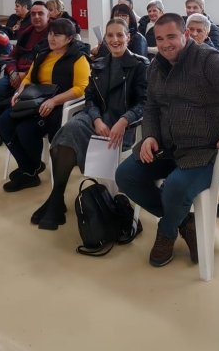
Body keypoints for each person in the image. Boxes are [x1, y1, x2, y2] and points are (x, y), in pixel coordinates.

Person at [115, 14, 219, 268]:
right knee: (126, 176)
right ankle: (185, 222)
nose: (165, 44)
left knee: (174, 188)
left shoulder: (207, 60)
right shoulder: (156, 67)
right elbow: (151, 106)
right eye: (160, 39)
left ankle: (167, 231)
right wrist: (150, 135)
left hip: (208, 151)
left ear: (186, 35)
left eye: (171, 37)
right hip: (169, 146)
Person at [30, 17, 148, 230]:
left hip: (122, 124)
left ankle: (55, 201)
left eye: (119, 35)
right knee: (68, 132)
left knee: (71, 134)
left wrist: (124, 120)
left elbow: (143, 102)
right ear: (105, 39)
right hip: (96, 118)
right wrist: (96, 119)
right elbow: (90, 98)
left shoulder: (140, 65)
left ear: (128, 37)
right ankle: (57, 197)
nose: (115, 40)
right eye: (110, 35)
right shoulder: (99, 64)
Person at [0, 18, 92, 192]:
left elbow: (81, 88)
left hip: (57, 104)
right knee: (3, 122)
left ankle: (29, 170)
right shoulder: (43, 53)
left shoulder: (78, 57)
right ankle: (30, 167)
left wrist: (54, 101)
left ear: (69, 38)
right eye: (50, 34)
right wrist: (19, 93)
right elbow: (28, 77)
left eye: (57, 35)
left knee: (25, 130)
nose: (51, 38)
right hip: (34, 99)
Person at [0, 2, 50, 112]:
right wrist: (13, 73)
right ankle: (8, 111)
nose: (36, 17)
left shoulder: (54, 34)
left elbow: (48, 62)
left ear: (48, 16)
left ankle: (10, 113)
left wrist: (25, 75)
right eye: (33, 14)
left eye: (40, 13)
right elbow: (12, 56)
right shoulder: (26, 33)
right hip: (17, 73)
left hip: (36, 76)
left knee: (18, 97)